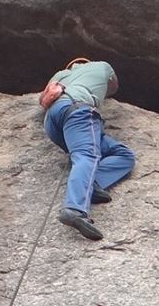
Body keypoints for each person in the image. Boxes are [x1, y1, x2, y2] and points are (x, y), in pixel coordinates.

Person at [42, 57, 134, 241]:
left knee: (124, 155)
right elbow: (113, 87)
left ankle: (92, 183)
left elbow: (43, 97)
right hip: (78, 111)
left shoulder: (61, 75)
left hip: (52, 121)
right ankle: (74, 209)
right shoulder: (102, 66)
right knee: (86, 156)